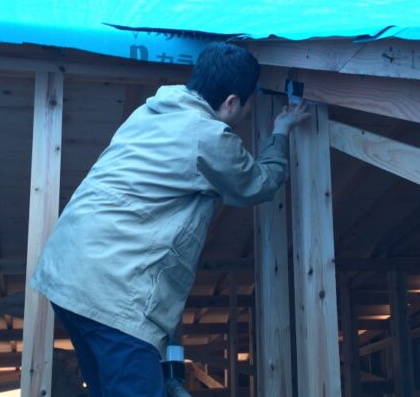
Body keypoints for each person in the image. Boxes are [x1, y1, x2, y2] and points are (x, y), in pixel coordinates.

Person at [29, 42, 310, 396]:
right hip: (114, 295)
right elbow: (259, 183)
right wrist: (281, 130)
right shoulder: (209, 137)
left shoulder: (148, 112)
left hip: (67, 275)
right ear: (231, 102)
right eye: (247, 103)